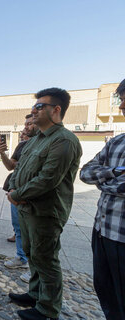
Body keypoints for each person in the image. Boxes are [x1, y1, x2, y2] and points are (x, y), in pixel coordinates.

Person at [7, 88, 82, 320]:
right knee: (32, 253)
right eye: (34, 106)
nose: (34, 110)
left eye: (40, 106)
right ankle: (35, 294)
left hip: (46, 211)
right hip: (27, 207)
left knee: (46, 258)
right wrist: (13, 188)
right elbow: (19, 167)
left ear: (56, 110)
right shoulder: (36, 139)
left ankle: (48, 309)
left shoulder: (64, 141)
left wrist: (18, 193)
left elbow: (48, 179)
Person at [79, 79, 125, 320]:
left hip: (123, 237)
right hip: (102, 232)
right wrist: (115, 173)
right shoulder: (117, 142)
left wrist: (105, 182)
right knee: (106, 293)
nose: (121, 107)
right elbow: (86, 172)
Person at [0, 115, 37, 277]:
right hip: (16, 192)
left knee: (33, 231)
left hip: (32, 194)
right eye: (25, 124)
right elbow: (10, 166)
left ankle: (35, 268)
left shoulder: (43, 145)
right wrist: (2, 154)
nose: (26, 127)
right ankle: (21, 257)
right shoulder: (22, 145)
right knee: (18, 227)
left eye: (30, 124)